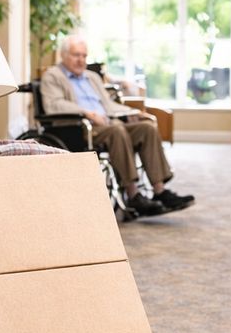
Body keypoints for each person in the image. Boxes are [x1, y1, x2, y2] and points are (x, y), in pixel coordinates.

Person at [41, 35, 195, 216]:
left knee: (147, 128)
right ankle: (133, 194)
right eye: (76, 55)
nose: (81, 60)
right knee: (117, 130)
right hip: (80, 128)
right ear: (63, 55)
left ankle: (159, 191)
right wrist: (86, 112)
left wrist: (132, 112)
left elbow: (108, 105)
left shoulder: (91, 77)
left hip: (108, 124)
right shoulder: (52, 76)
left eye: (84, 56)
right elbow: (54, 105)